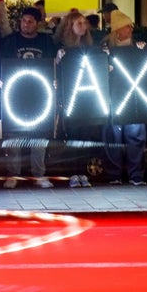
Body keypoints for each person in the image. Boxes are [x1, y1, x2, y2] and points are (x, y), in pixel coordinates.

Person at [0, 6, 58, 189]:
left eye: (30, 21)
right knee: (13, 134)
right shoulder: (10, 42)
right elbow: (1, 64)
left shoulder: (46, 42)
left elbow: (54, 63)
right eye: (23, 21)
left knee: (39, 135)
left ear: (38, 24)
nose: (25, 24)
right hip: (15, 93)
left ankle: (39, 175)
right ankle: (13, 174)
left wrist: (55, 79)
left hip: (39, 94)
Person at [101, 10, 147, 186]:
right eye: (126, 26)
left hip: (133, 99)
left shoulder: (138, 47)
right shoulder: (105, 50)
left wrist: (145, 52)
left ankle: (135, 175)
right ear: (117, 30)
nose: (130, 29)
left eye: (130, 26)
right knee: (113, 137)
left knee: (135, 137)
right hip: (113, 99)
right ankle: (114, 175)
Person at [53, 11, 96, 188]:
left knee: (85, 135)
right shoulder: (62, 49)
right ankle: (72, 172)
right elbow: (55, 73)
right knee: (72, 135)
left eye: (84, 23)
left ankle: (83, 172)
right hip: (69, 98)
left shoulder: (89, 48)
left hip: (86, 96)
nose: (83, 26)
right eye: (79, 23)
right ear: (70, 26)